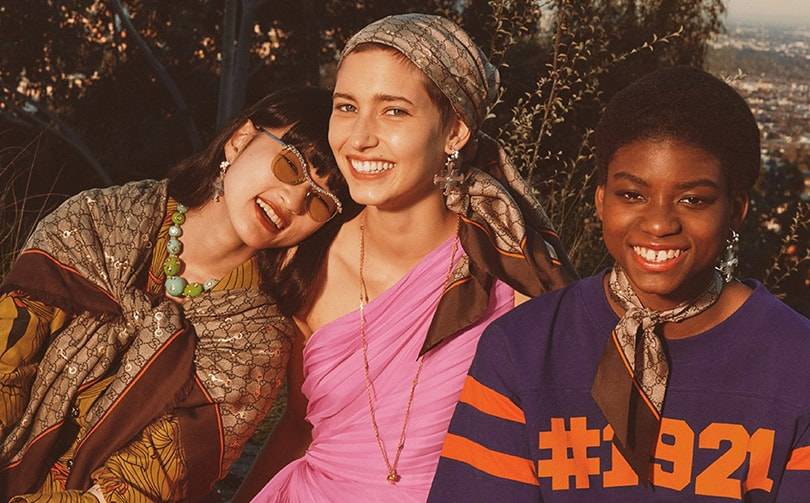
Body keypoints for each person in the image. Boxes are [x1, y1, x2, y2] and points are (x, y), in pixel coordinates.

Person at [428, 66, 810, 502]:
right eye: (632, 195)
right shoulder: (523, 349)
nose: (659, 223)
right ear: (601, 200)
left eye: (693, 200)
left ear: (736, 210)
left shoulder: (797, 362)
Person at [236, 13, 575, 503]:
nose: (359, 138)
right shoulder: (305, 263)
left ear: (455, 131)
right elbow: (297, 426)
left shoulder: (513, 282)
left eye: (394, 111)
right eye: (346, 107)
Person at [0, 87, 357, 502]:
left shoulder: (257, 340)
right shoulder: (97, 220)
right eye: (291, 165)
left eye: (319, 201)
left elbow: (143, 484)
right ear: (240, 139)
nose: (295, 200)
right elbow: (7, 362)